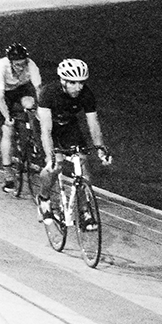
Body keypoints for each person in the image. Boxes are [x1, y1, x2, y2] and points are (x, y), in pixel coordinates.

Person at [35, 58, 112, 224]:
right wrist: (50, 156)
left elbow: (93, 123)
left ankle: (84, 209)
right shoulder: (48, 93)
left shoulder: (86, 94)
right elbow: (46, 130)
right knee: (56, 165)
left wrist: (100, 147)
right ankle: (43, 199)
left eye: (81, 83)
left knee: (83, 164)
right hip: (49, 127)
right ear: (63, 81)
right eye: (73, 83)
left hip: (68, 125)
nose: (78, 87)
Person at [0, 42, 43, 192]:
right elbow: (0, 98)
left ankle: (31, 141)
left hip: (18, 88)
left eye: (23, 64)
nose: (21, 67)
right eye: (17, 65)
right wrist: (7, 117)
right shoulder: (0, 67)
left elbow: (38, 90)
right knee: (7, 130)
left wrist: (40, 111)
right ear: (10, 62)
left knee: (30, 104)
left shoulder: (31, 65)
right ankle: (8, 175)